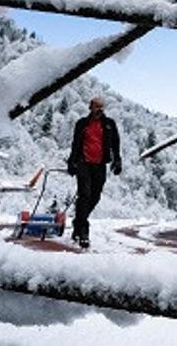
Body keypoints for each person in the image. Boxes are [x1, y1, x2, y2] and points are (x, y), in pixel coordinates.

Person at [67, 97, 122, 248]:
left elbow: (116, 143)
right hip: (83, 163)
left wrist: (118, 159)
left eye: (102, 107)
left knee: (95, 197)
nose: (99, 110)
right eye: (96, 106)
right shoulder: (82, 123)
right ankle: (84, 231)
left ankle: (78, 223)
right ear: (90, 107)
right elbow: (75, 143)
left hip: (100, 164)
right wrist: (71, 161)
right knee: (84, 195)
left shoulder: (109, 124)